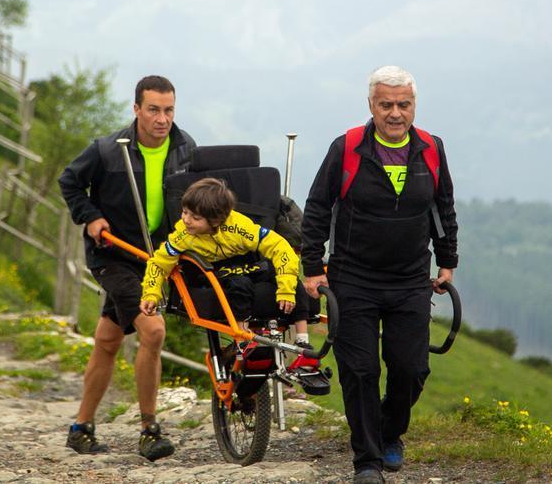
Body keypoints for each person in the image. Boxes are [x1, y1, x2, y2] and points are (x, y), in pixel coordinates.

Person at [300, 65, 458, 484]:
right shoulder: (347, 148)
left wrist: (447, 262)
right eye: (386, 104)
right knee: (360, 371)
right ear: (371, 105)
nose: (395, 113)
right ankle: (367, 461)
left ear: (414, 105)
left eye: (403, 104)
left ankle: (389, 432)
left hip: (410, 280)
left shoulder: (431, 148)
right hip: (353, 279)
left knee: (411, 369)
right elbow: (317, 208)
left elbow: (443, 208)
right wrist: (312, 268)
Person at [58, 75, 194, 461]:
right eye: (153, 110)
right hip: (114, 256)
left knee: (107, 341)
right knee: (153, 331)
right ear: (136, 109)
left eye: (168, 110)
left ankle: (81, 428)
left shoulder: (186, 149)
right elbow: (69, 182)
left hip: (158, 259)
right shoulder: (106, 150)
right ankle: (150, 430)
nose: (162, 119)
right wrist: (90, 216)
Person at [138, 177, 314, 353]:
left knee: (290, 278)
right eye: (184, 212)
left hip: (249, 265)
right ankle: (242, 340)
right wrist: (151, 294)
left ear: (215, 221)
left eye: (195, 217)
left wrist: (286, 290)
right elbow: (159, 264)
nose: (186, 220)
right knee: (240, 284)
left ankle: (302, 339)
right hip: (217, 273)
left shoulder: (239, 227)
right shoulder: (182, 236)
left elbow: (280, 247)